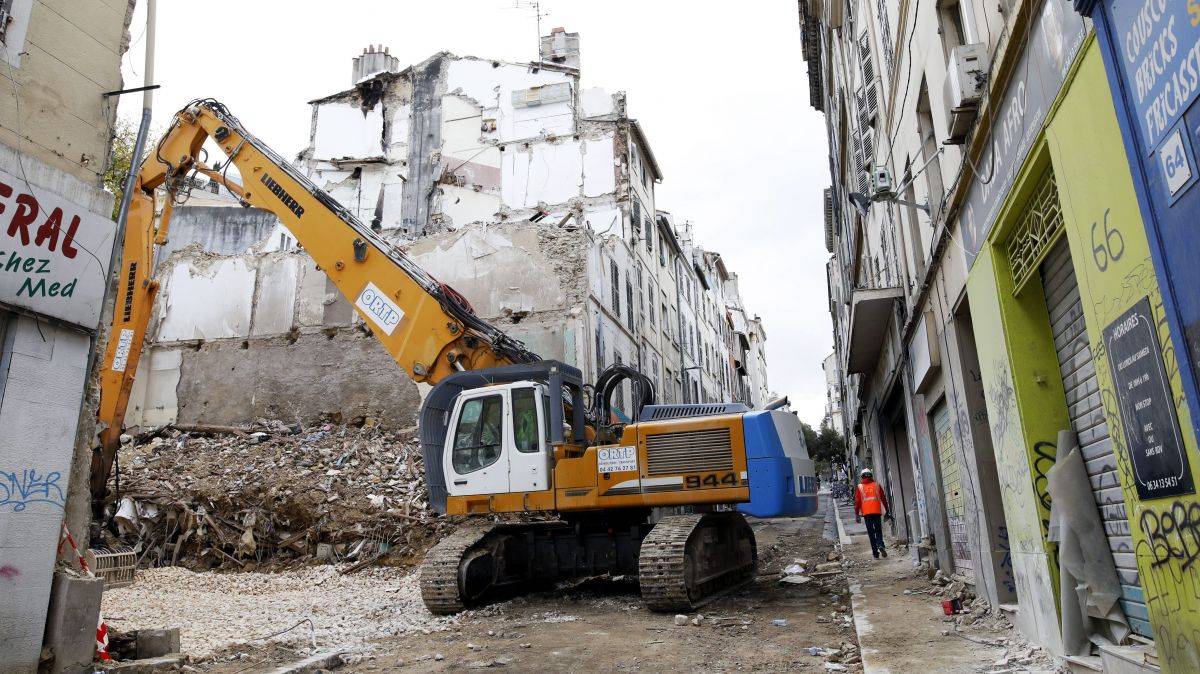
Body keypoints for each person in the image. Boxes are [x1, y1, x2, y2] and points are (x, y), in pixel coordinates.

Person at [854, 468, 891, 558]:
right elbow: (883, 499)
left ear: (862, 477)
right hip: (876, 512)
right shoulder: (877, 485)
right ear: (871, 476)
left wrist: (856, 514)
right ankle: (880, 545)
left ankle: (875, 553)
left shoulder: (860, 487)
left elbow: (857, 502)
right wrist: (887, 510)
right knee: (878, 530)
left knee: (871, 533)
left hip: (866, 513)